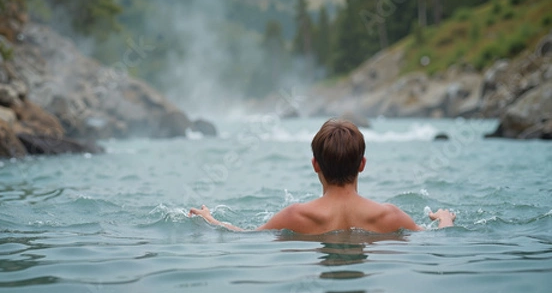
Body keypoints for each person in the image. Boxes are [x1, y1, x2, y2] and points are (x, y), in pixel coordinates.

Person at [189, 119, 455, 234]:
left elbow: (242, 236)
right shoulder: (390, 216)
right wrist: (444, 219)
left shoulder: (295, 216)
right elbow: (436, 238)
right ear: (362, 164)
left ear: (315, 165)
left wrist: (210, 219)